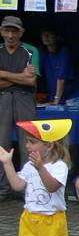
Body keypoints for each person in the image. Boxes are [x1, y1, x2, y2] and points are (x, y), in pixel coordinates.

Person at [0, 16, 37, 200]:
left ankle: (26, 188)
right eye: (7, 30)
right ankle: (2, 189)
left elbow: (31, 80)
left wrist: (3, 75)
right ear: (1, 31)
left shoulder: (31, 51)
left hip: (25, 98)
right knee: (1, 144)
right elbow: (24, 79)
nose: (10, 35)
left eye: (14, 31)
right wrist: (19, 76)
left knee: (28, 144)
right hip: (2, 99)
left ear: (21, 33)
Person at [40, 28, 74, 104]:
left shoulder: (64, 52)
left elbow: (61, 78)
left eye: (49, 34)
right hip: (51, 96)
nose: (46, 37)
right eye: (44, 34)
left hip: (69, 97)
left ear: (57, 37)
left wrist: (56, 100)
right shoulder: (43, 54)